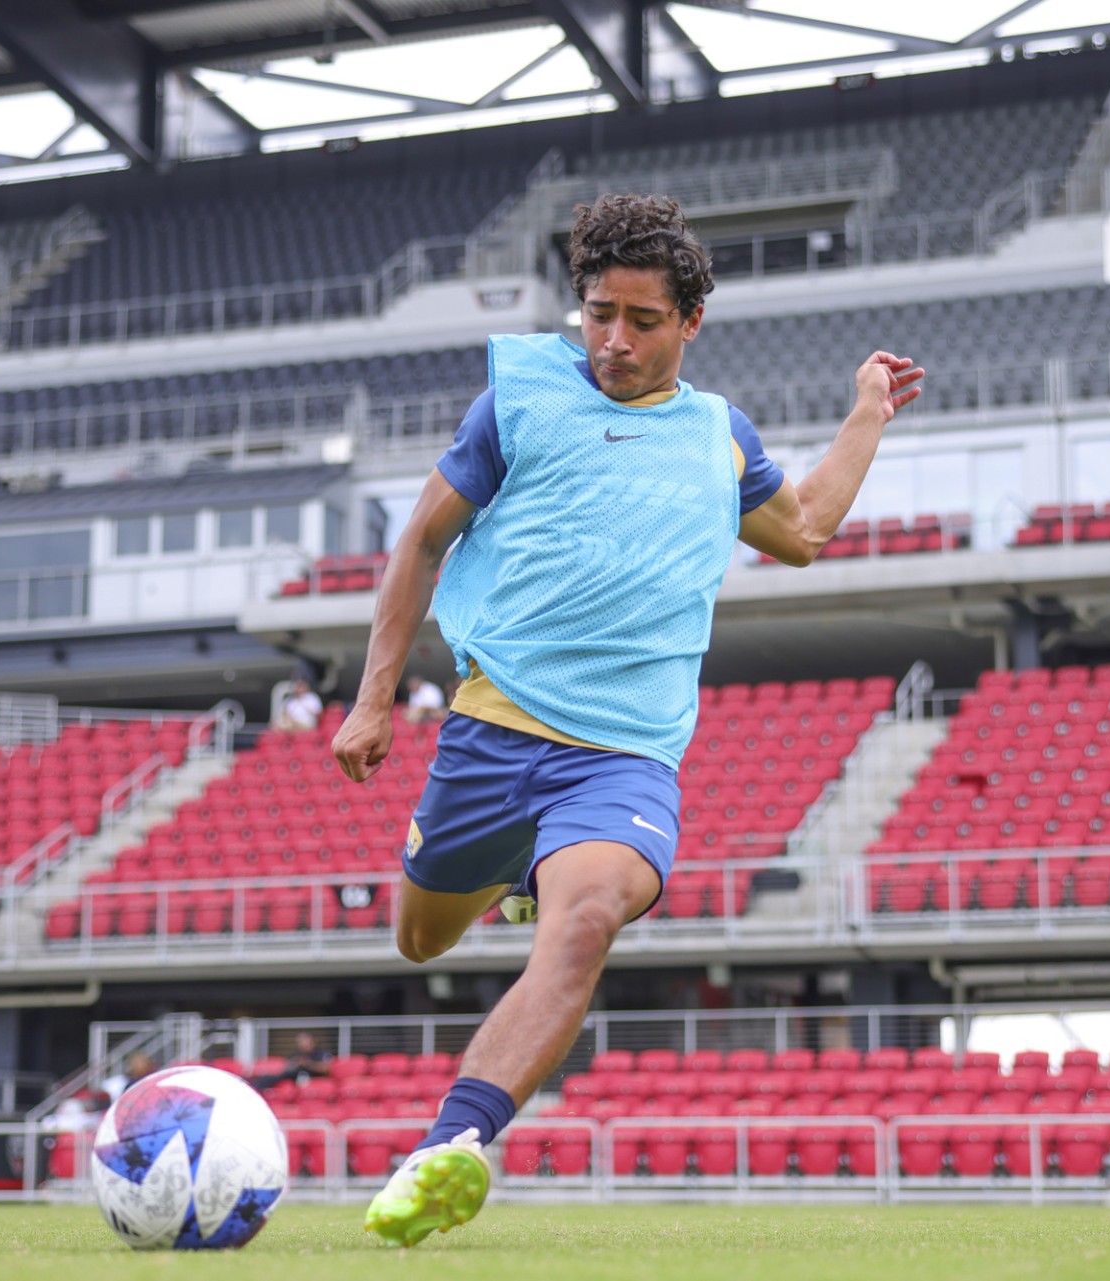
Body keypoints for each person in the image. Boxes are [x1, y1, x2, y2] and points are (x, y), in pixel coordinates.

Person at [330, 193, 921, 1247]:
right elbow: (420, 540)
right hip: (492, 730)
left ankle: (450, 1144)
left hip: (623, 757)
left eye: (643, 320)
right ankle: (512, 876)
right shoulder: (519, 402)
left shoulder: (716, 434)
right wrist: (374, 698)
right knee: (419, 938)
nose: (614, 340)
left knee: (587, 917)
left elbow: (804, 529)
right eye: (598, 313)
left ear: (691, 321)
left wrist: (867, 409)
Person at [250, 1032, 333, 1091]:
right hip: (294, 1076)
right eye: (299, 1042)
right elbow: (288, 1066)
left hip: (313, 1076)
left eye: (304, 1042)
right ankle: (254, 1086)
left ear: (312, 1042)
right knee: (275, 1076)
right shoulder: (297, 1053)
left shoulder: (321, 1053)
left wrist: (307, 1063)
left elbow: (325, 1069)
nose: (302, 1045)